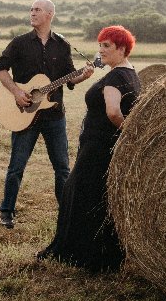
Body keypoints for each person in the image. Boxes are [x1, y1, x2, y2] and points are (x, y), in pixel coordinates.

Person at [36, 25, 141, 272]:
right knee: (96, 197)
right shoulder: (131, 74)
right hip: (105, 145)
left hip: (99, 146)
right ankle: (97, 254)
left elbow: (114, 112)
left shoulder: (115, 77)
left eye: (107, 46)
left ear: (122, 49)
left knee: (79, 194)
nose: (101, 50)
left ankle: (81, 254)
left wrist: (128, 134)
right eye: (100, 45)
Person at [0, 0, 94, 229]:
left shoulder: (62, 44)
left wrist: (84, 75)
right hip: (24, 114)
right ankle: (7, 211)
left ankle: (66, 212)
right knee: (16, 167)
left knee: (62, 168)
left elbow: (70, 76)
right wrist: (17, 91)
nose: (32, 13)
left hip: (54, 116)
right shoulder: (19, 43)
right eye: (31, 9)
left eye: (37, 10)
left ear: (49, 14)